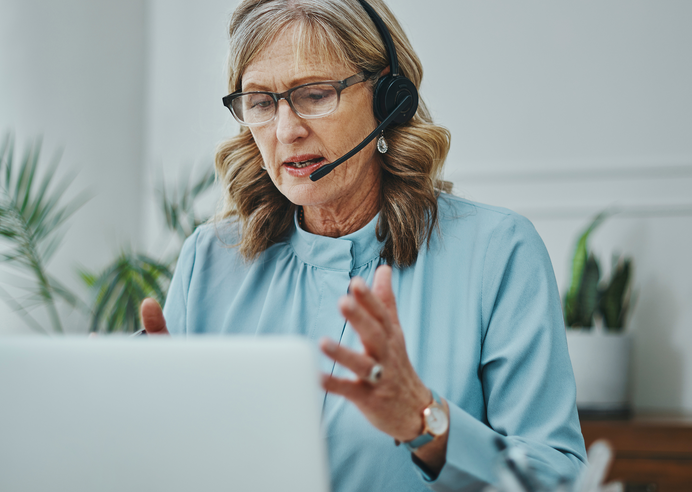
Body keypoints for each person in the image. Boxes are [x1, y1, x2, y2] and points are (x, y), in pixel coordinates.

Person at [140, 0, 587, 489]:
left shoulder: (497, 252)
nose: (286, 130)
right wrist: (142, 422)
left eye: (314, 94)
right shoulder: (210, 259)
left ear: (389, 100)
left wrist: (425, 422)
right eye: (262, 103)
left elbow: (559, 479)